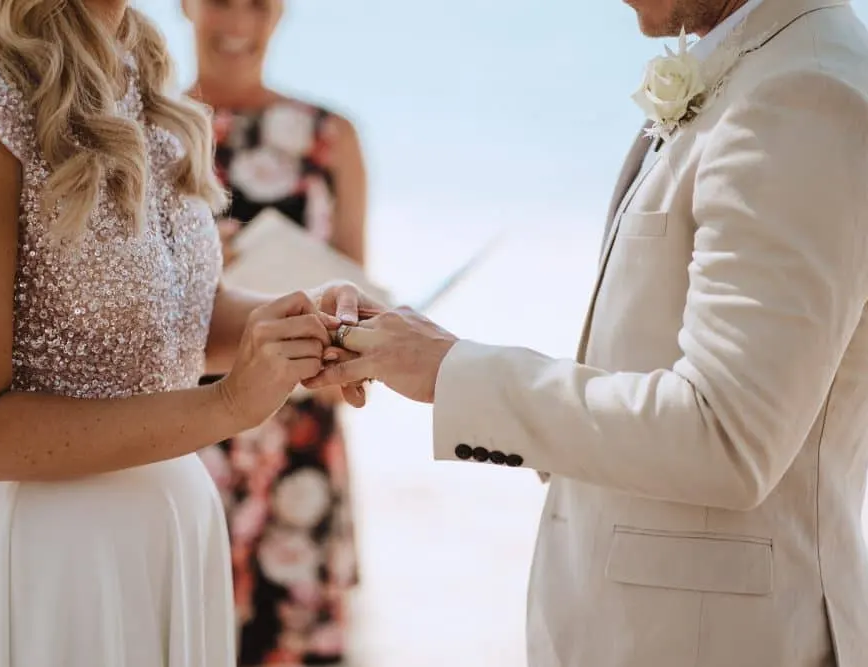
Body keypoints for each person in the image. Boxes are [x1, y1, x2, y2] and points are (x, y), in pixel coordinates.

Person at [309, 0, 868, 665]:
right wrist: (428, 350)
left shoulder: (802, 90)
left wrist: (451, 373)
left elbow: (726, 435)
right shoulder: (766, 69)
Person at [0, 1, 370, 665]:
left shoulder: (132, 72)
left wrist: (293, 320)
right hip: (60, 565)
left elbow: (176, 312)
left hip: (174, 540)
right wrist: (226, 405)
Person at [179, 1, 368, 664]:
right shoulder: (145, 129)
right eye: (220, 0)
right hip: (182, 429)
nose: (239, 20)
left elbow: (354, 286)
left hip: (300, 440)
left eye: (258, 2)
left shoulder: (330, 137)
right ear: (185, 5)